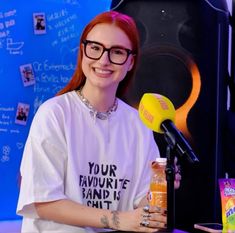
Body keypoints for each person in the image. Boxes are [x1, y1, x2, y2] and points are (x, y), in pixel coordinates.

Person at [16, 11, 181, 233]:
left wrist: (163, 191)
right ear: (83, 52)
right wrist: (118, 219)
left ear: (131, 62)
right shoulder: (54, 114)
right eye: (95, 48)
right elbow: (43, 202)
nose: (104, 60)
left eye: (117, 52)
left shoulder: (139, 124)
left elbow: (142, 206)